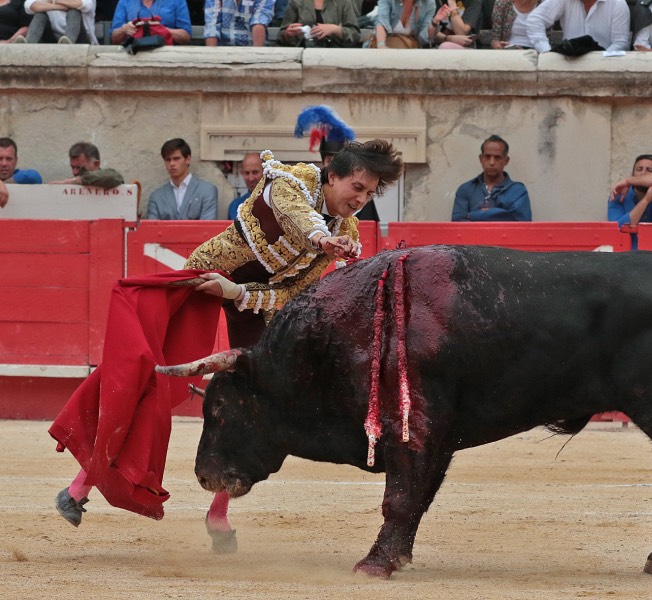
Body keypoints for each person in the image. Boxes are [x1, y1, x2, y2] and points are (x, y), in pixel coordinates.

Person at [53, 135, 404, 553]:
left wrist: (235, 295)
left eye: (369, 193)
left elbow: (290, 293)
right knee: (141, 367)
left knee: (260, 398)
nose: (360, 199)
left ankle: (219, 511)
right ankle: (82, 484)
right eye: (356, 188)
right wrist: (321, 241)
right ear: (332, 175)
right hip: (206, 275)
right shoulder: (289, 180)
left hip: (250, 298)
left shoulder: (346, 231)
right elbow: (294, 215)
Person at [451, 134, 532, 222]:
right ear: (481, 159)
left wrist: (474, 215)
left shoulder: (518, 191)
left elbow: (521, 221)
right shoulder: (466, 189)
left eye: (498, 157)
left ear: (506, 160)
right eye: (487, 157)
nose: (492, 162)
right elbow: (457, 223)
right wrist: (503, 215)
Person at [607, 153, 652, 249]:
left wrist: (627, 181)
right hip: (627, 255)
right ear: (633, 174)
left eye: (649, 170)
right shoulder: (618, 195)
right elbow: (618, 229)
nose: (643, 173)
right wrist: (646, 200)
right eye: (639, 169)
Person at [146, 138, 218, 220]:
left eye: (176, 158)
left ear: (188, 159)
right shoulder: (156, 197)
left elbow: (207, 228)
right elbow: (152, 229)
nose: (172, 164)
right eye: (168, 160)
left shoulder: (207, 191)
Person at [525, 0, 631, 53]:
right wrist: (546, 51)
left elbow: (620, 43)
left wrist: (598, 62)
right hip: (569, 64)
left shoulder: (618, 3)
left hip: (605, 68)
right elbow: (535, 19)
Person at [320, 139, 380, 221]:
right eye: (357, 187)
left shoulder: (350, 224)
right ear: (332, 177)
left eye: (369, 194)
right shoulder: (301, 189)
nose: (362, 200)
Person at [278, 0, 360, 47]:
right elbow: (282, 35)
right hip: (304, 53)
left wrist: (336, 29)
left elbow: (355, 35)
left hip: (335, 55)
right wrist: (288, 34)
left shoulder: (343, 2)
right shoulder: (295, 2)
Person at [109, 0, 192, 45]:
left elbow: (186, 36)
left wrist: (162, 30)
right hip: (134, 54)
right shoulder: (125, 1)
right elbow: (114, 39)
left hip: (167, 53)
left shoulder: (177, 1)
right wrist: (124, 30)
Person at [50, 142, 124, 189]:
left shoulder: (111, 177)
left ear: (96, 164)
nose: (75, 172)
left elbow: (111, 177)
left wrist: (74, 180)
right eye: (72, 167)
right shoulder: (71, 184)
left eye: (79, 168)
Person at [204, 0, 275, 46]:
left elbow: (259, 22)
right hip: (223, 51)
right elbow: (212, 26)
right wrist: (213, 60)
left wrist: (255, 59)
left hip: (252, 48)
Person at [22, 0, 98, 43]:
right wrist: (57, 6)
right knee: (40, 15)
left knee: (74, 12)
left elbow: (85, 5)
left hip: (81, 40)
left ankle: (67, 43)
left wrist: (54, 1)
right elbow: (29, 5)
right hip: (54, 39)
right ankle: (28, 44)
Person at [371, 0, 435, 48]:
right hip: (386, 42)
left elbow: (423, 38)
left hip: (410, 46)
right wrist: (381, 46)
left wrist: (435, 22)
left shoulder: (429, 3)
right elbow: (381, 21)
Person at [0, 137, 42, 208]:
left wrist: (7, 183)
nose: (4, 164)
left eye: (9, 159)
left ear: (16, 161)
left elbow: (35, 177)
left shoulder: (19, 175)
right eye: (0, 159)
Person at [227, 151, 264, 220]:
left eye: (255, 172)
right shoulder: (235, 206)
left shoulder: (277, 203)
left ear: (265, 172)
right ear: (242, 173)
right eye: (247, 173)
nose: (251, 178)